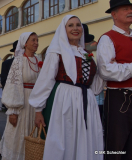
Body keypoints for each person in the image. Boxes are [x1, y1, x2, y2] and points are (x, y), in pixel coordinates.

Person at [29, 15, 105, 160]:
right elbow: (45, 80)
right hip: (65, 100)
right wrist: (38, 110)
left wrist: (103, 69)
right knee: (65, 139)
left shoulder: (86, 54)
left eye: (78, 25)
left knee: (86, 138)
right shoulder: (56, 51)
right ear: (63, 30)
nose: (75, 28)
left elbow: (94, 88)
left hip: (87, 101)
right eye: (70, 25)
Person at [97, 0, 132, 159]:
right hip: (119, 96)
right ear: (114, 14)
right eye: (125, 9)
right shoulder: (107, 38)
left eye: (131, 8)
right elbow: (106, 70)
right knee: (116, 143)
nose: (130, 11)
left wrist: (124, 66)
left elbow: (117, 67)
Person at [0, 32, 41, 160]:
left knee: (33, 133)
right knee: (17, 134)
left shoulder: (39, 60)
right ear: (25, 43)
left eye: (37, 40)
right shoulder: (18, 61)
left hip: (36, 103)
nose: (36, 43)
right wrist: (12, 110)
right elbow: (13, 86)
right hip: (21, 102)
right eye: (33, 40)